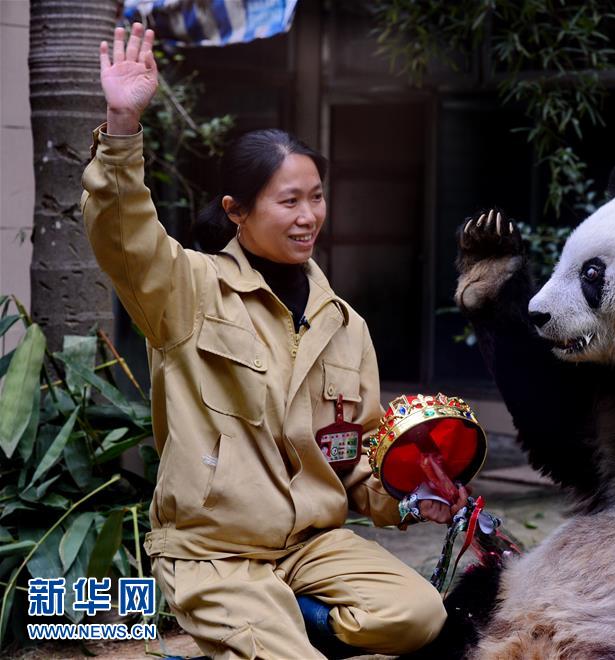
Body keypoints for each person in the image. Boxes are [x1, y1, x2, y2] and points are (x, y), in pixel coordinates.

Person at [83, 22, 467, 659]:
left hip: (311, 548)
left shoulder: (344, 325)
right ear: (236, 210)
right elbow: (123, 235)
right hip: (216, 551)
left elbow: (357, 465)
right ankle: (271, 634)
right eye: (289, 201)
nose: (309, 216)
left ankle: (295, 624)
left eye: (317, 197)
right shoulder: (187, 290)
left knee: (420, 614)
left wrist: (414, 493)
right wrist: (123, 127)